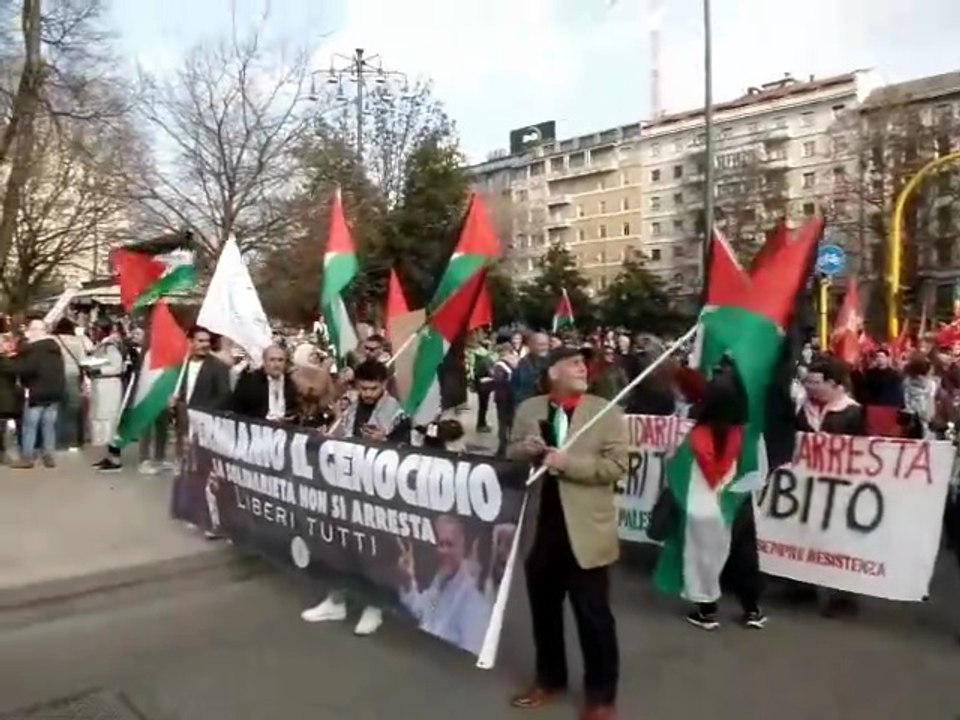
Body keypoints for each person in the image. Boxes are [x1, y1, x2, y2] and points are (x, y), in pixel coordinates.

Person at [508, 346, 627, 720]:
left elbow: (616, 466)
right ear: (553, 372)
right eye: (573, 362)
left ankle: (601, 697)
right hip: (541, 528)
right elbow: (509, 453)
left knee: (594, 618)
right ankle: (550, 678)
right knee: (544, 612)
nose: (582, 367)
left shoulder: (605, 413)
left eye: (583, 363)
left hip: (586, 533)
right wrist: (523, 450)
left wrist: (568, 463)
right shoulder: (530, 409)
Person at [300, 358, 410, 636]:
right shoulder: (350, 405)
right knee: (336, 543)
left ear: (384, 385)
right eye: (364, 388)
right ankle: (335, 601)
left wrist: (387, 442)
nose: (368, 394)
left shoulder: (396, 412)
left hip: (377, 492)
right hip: (345, 484)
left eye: (373, 389)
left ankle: (375, 606)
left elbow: (410, 455)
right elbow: (338, 432)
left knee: (373, 550)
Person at [96, 326, 231, 474]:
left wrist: (204, 411)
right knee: (182, 442)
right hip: (182, 412)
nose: (205, 344)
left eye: (208, 341)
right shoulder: (179, 363)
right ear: (190, 342)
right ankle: (180, 465)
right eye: (200, 341)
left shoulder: (218, 367)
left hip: (205, 416)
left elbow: (224, 395)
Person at [796, 355, 865, 617]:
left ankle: (843, 598)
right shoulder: (804, 409)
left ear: (834, 384)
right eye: (808, 382)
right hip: (807, 485)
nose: (810, 387)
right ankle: (800, 586)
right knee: (805, 534)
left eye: (816, 382)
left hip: (841, 488)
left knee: (840, 542)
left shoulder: (852, 411)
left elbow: (863, 450)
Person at [397, 514, 491, 654]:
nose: (443, 551)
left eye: (450, 544)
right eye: (440, 544)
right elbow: (421, 610)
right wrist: (407, 577)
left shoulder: (474, 602)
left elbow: (469, 663)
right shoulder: (441, 580)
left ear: (463, 547)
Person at [3, 318, 66, 469]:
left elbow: (26, 369)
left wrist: (6, 363)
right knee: (48, 425)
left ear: (35, 331)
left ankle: (27, 457)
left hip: (37, 392)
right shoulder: (54, 348)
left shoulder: (34, 349)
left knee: (30, 426)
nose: (27, 333)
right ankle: (48, 456)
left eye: (29, 330)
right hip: (55, 391)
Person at [51, 317, 90, 451]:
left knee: (57, 409)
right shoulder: (76, 341)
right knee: (72, 409)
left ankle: (58, 442)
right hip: (73, 376)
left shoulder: (53, 340)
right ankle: (73, 442)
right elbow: (83, 360)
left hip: (55, 376)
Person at [231, 344, 299, 421]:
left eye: (280, 360)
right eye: (272, 360)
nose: (277, 364)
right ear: (264, 361)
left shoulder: (290, 383)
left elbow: (295, 409)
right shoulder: (249, 381)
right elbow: (238, 409)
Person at [86, 320, 125, 447]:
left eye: (95, 329)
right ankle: (101, 445)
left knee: (107, 415)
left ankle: (109, 444)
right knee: (98, 414)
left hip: (108, 384)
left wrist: (98, 370)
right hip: (99, 383)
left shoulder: (110, 346)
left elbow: (117, 366)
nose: (93, 332)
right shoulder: (100, 346)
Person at [512, 332, 550, 406]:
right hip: (529, 405)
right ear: (530, 345)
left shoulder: (553, 361)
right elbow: (517, 389)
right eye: (540, 345)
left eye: (546, 344)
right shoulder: (523, 364)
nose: (544, 348)